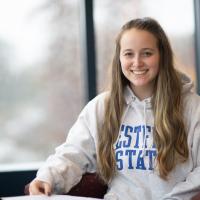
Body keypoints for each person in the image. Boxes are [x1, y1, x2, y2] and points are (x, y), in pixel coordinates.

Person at [29, 17, 200, 200]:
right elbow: (73, 154)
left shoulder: (192, 107)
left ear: (162, 56)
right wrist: (48, 177)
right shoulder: (101, 107)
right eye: (128, 54)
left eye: (147, 53)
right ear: (119, 58)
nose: (137, 62)